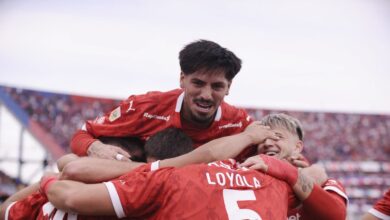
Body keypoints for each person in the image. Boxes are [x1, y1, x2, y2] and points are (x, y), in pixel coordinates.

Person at [70, 39, 253, 161]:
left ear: (228, 87)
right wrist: (96, 148)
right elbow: (82, 135)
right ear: (182, 79)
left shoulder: (239, 123)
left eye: (217, 86)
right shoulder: (145, 107)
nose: (206, 95)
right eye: (198, 83)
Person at [239, 113, 348, 220]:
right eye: (262, 139)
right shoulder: (245, 177)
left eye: (277, 137)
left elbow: (337, 215)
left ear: (297, 147)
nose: (267, 143)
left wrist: (285, 170)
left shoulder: (321, 180)